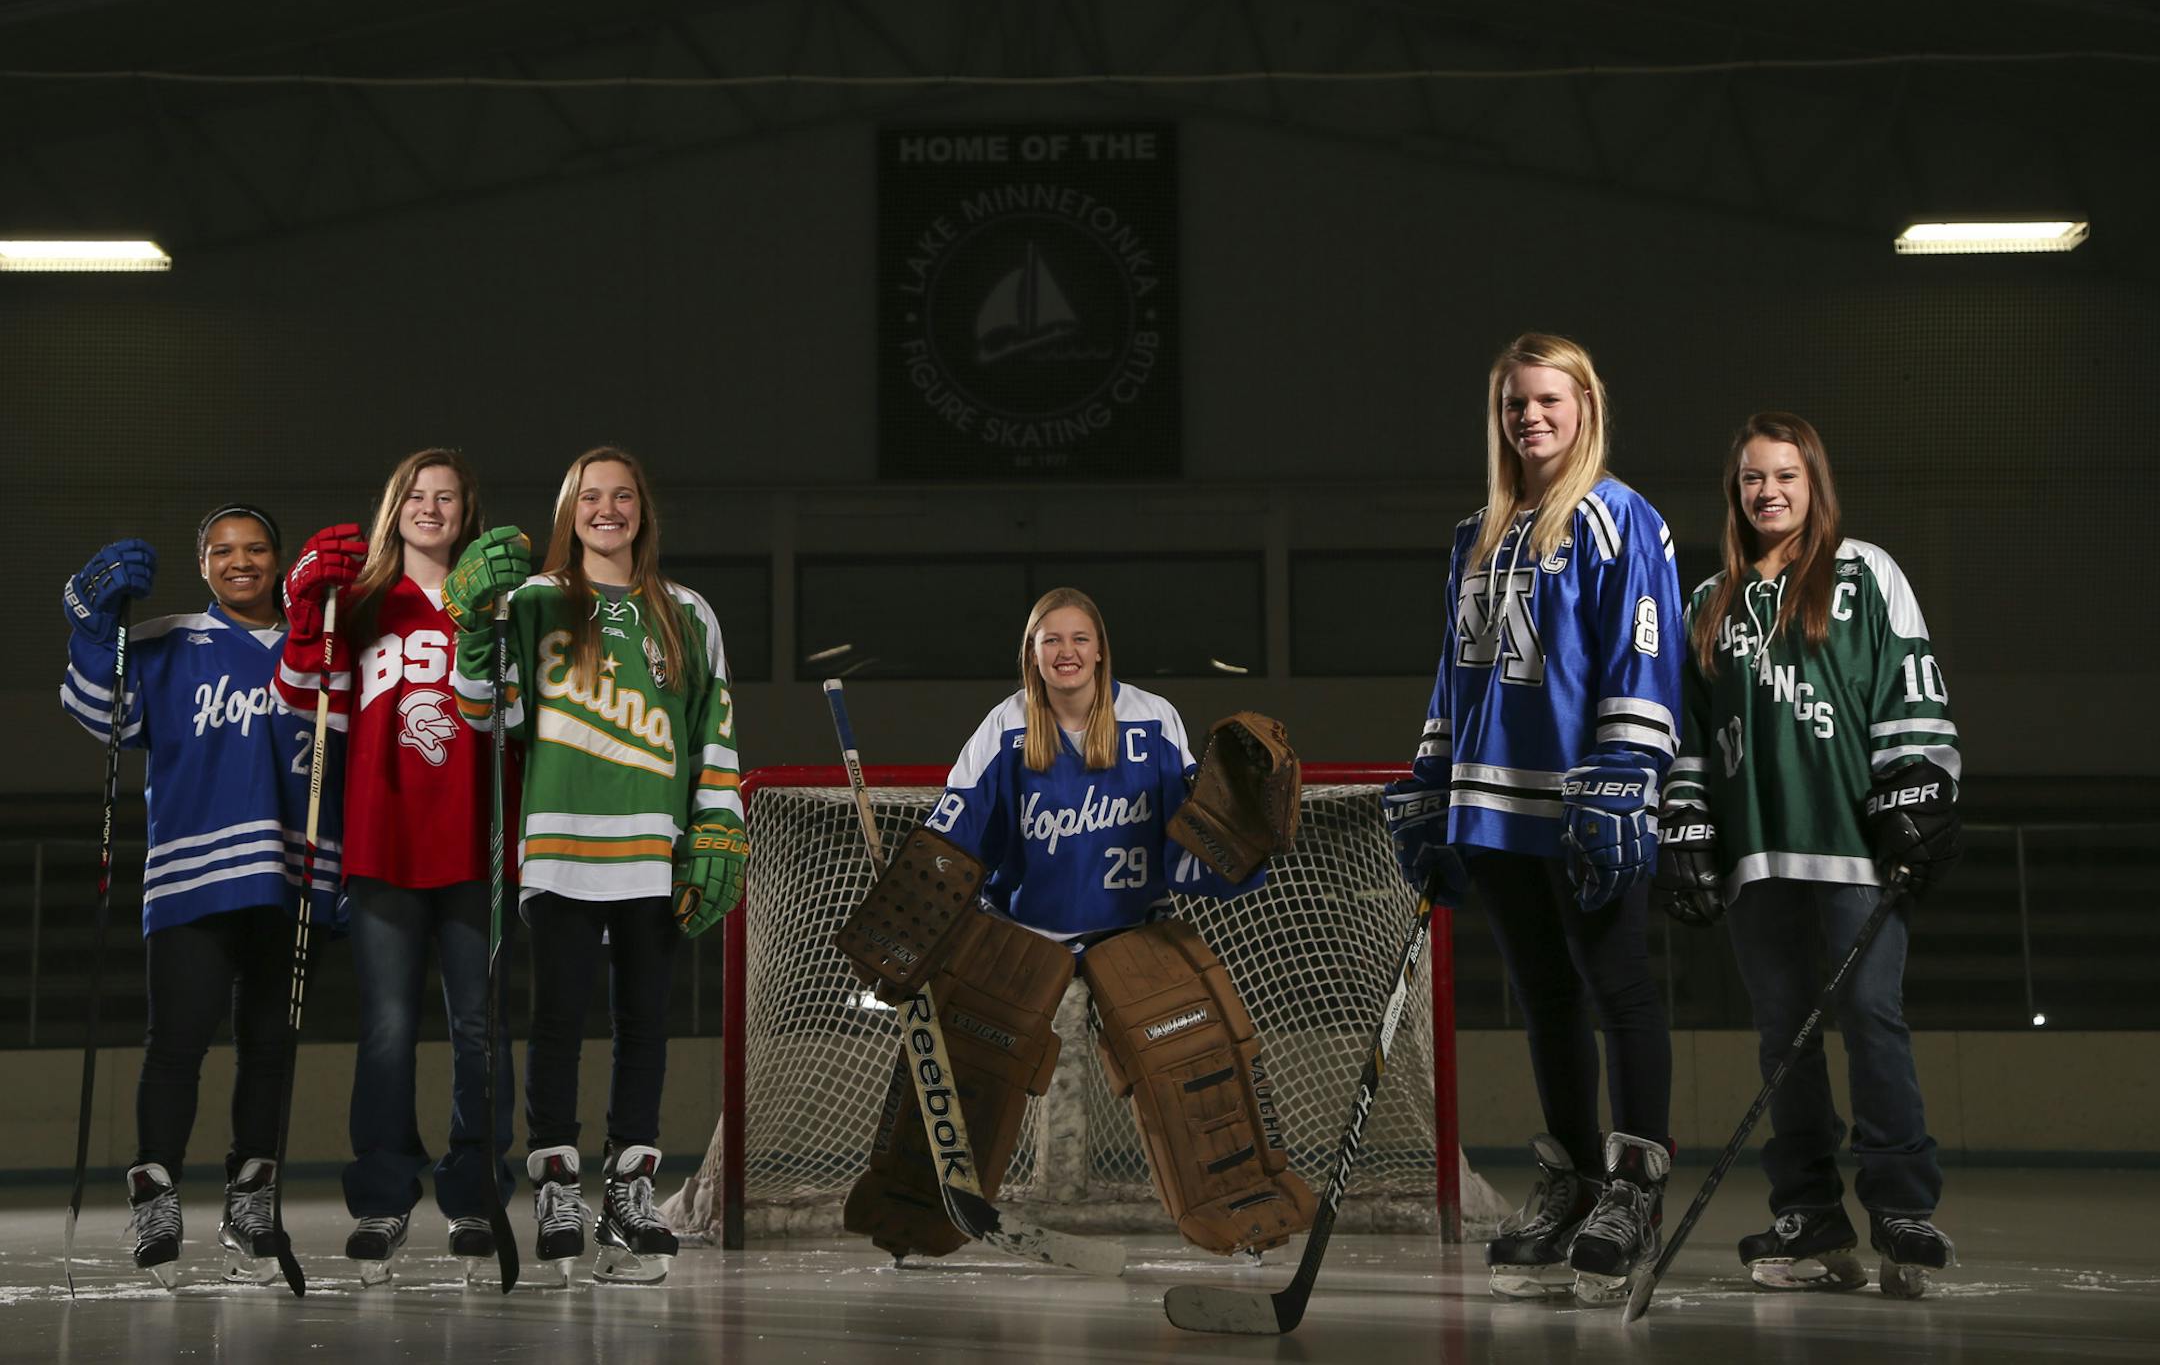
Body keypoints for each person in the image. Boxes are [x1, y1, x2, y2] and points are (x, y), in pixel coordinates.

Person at [842, 586, 1315, 1263]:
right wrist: (908, 925)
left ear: (1100, 649)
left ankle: (1242, 1215)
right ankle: (914, 1214)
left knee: (1199, 1053)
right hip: (1018, 930)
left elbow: (1188, 844)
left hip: (1133, 929)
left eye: (1079, 638)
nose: (1067, 651)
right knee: (960, 1061)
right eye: (1051, 639)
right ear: (1032, 653)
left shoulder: (1152, 720)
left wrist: (1241, 848)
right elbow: (954, 838)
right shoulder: (1002, 728)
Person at [1383, 332, 1683, 1305]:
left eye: (1549, 400)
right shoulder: (1479, 530)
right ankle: (1574, 1181)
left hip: (1581, 796)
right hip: (1493, 802)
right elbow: (1453, 673)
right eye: (1516, 404)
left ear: (1584, 406)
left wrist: (1626, 766)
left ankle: (1635, 1187)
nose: (1532, 418)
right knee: (1544, 994)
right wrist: (1434, 777)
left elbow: (1643, 653)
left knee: (1619, 983)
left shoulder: (1619, 518)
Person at [1657, 412, 1962, 1299]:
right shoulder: (1706, 602)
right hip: (1758, 858)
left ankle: (1902, 1205)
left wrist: (1917, 788)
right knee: (1782, 1040)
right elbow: (1688, 737)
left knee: (1872, 1016)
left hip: (1855, 851)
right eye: (1753, 478)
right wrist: (1688, 824)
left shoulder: (1867, 575)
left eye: (1785, 474)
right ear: (1735, 491)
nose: (1769, 491)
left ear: (1813, 483)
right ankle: (1808, 1213)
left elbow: (1910, 685)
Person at [444, 445, 746, 1285]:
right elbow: (484, 713)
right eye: (589, 496)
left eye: (621, 496)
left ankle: (629, 1189)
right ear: (568, 510)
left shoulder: (688, 611)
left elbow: (714, 734)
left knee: (645, 1023)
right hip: (561, 843)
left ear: (642, 510)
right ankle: (555, 1183)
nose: (606, 509)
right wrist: (472, 625)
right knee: (560, 1021)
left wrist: (716, 827)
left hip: (653, 848)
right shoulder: (532, 601)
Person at [59, 505, 343, 1288]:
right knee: (175, 1044)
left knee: (269, 1048)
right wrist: (91, 628)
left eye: (255, 548)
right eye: (223, 550)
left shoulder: (317, 649)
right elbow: (103, 717)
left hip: (290, 877)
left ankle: (252, 1198)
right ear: (203, 563)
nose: (240, 560)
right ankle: (156, 1191)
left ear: (280, 560)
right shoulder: (162, 640)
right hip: (190, 872)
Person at [276, 449, 516, 1283]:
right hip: (382, 845)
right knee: (384, 1030)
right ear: (393, 506)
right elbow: (299, 698)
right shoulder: (361, 602)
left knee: (480, 1029)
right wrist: (305, 609)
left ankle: (476, 1192)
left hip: (471, 848)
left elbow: (518, 721)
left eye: (448, 496)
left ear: (467, 510)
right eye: (417, 493)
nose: (431, 506)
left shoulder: (494, 601)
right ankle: (382, 1195)